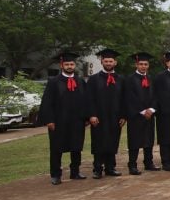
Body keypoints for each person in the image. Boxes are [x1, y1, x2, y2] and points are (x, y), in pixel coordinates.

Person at [38, 51, 88, 185]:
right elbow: (47, 102)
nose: (70, 66)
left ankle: (75, 171)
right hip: (59, 121)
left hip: (77, 121)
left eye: (72, 64)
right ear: (62, 65)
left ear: (75, 65)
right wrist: (49, 120)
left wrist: (86, 117)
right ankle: (55, 174)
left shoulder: (80, 81)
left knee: (76, 147)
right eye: (67, 64)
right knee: (56, 148)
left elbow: (86, 101)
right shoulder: (54, 82)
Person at [86, 48, 125, 178]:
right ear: (102, 62)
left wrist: (123, 116)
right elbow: (89, 98)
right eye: (106, 61)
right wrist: (91, 114)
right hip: (99, 117)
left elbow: (125, 99)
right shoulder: (93, 79)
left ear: (115, 62)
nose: (108, 63)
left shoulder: (120, 79)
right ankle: (97, 168)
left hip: (115, 116)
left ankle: (110, 167)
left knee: (113, 141)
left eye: (111, 61)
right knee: (98, 142)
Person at [124, 52, 159, 175]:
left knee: (149, 140)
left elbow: (155, 96)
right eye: (141, 64)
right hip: (136, 115)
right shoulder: (130, 79)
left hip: (150, 115)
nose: (143, 66)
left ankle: (148, 163)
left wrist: (152, 109)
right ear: (136, 65)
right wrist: (143, 111)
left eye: (145, 64)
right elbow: (130, 98)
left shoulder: (151, 79)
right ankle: (132, 165)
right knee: (134, 141)